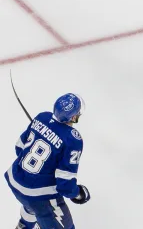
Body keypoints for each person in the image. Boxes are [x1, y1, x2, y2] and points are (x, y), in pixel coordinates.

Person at [5, 94, 90, 229]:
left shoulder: (42, 117)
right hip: (38, 194)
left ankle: (24, 225)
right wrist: (78, 192)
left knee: (30, 206)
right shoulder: (73, 139)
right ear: (74, 117)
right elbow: (65, 185)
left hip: (14, 180)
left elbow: (19, 147)